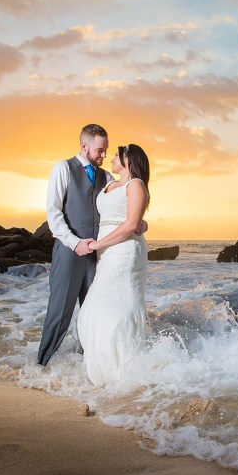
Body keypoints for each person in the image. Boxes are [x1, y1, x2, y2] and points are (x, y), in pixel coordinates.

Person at [38, 124, 146, 366]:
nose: (104, 156)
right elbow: (53, 214)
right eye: (100, 150)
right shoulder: (63, 168)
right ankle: (41, 365)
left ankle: (89, 366)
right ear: (84, 146)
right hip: (70, 251)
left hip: (100, 256)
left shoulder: (106, 177)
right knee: (60, 312)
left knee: (94, 315)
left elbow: (122, 208)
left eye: (107, 151)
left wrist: (141, 223)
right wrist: (75, 243)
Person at [77, 144, 150, 387]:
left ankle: (124, 371)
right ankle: (101, 371)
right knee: (93, 310)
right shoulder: (109, 183)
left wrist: (98, 245)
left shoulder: (135, 184)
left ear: (128, 160)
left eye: (117, 156)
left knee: (119, 307)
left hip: (125, 251)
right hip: (107, 251)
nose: (111, 159)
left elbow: (131, 224)